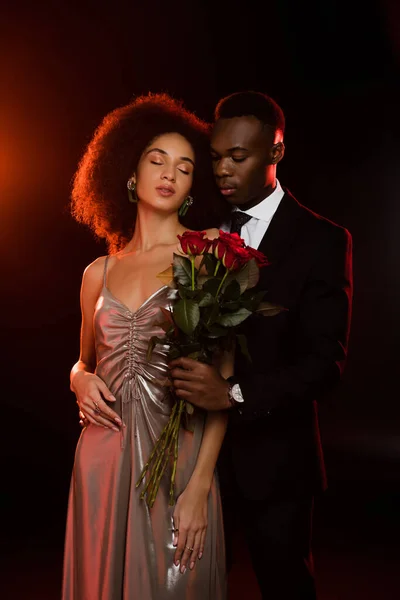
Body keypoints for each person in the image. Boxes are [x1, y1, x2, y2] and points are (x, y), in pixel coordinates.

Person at [169, 91, 353, 599]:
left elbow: (325, 363)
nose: (222, 169)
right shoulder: (201, 224)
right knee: (187, 589)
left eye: (238, 157)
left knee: (287, 588)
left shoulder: (322, 240)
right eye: (215, 157)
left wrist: (231, 394)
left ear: (275, 153)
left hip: (277, 466)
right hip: (194, 459)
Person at [62, 92, 231, 600]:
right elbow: (84, 360)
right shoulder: (98, 272)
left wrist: (200, 486)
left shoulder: (207, 259)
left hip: (178, 461)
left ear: (190, 188)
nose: (170, 174)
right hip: (101, 460)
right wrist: (77, 378)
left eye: (184, 167)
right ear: (131, 173)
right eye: (157, 160)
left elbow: (222, 385)